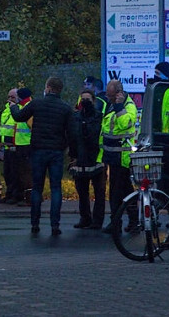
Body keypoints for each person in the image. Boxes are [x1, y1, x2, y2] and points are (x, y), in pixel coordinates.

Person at [11, 76, 77, 235]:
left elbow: (19, 117)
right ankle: (55, 225)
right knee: (56, 188)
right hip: (56, 152)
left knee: (37, 188)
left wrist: (13, 107)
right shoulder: (65, 108)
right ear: (60, 90)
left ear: (48, 88)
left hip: (38, 150)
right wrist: (71, 153)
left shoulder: (37, 103)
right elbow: (72, 133)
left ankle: (35, 223)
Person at [101, 79, 138, 234]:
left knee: (118, 192)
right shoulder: (112, 104)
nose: (108, 98)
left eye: (110, 96)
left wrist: (118, 106)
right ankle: (133, 220)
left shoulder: (128, 107)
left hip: (122, 156)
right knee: (124, 190)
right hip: (112, 154)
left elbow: (125, 124)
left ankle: (117, 222)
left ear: (119, 94)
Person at [71, 85, 106, 230]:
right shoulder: (75, 117)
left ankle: (97, 221)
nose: (85, 102)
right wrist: (72, 157)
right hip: (80, 158)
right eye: (83, 99)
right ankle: (85, 218)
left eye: (88, 99)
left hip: (96, 159)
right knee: (82, 192)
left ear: (93, 101)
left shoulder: (99, 117)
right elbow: (72, 137)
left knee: (99, 192)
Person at [11, 88, 33, 205]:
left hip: (27, 144)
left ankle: (29, 198)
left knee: (26, 172)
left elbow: (32, 126)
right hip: (21, 144)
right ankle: (23, 196)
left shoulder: (28, 107)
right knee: (21, 172)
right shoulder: (23, 107)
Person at [0, 89, 19, 203]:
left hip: (15, 146)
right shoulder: (4, 112)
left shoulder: (19, 110)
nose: (10, 99)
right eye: (9, 97)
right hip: (5, 147)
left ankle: (15, 195)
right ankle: (9, 194)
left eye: (13, 97)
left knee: (15, 173)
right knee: (7, 173)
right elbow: (1, 128)